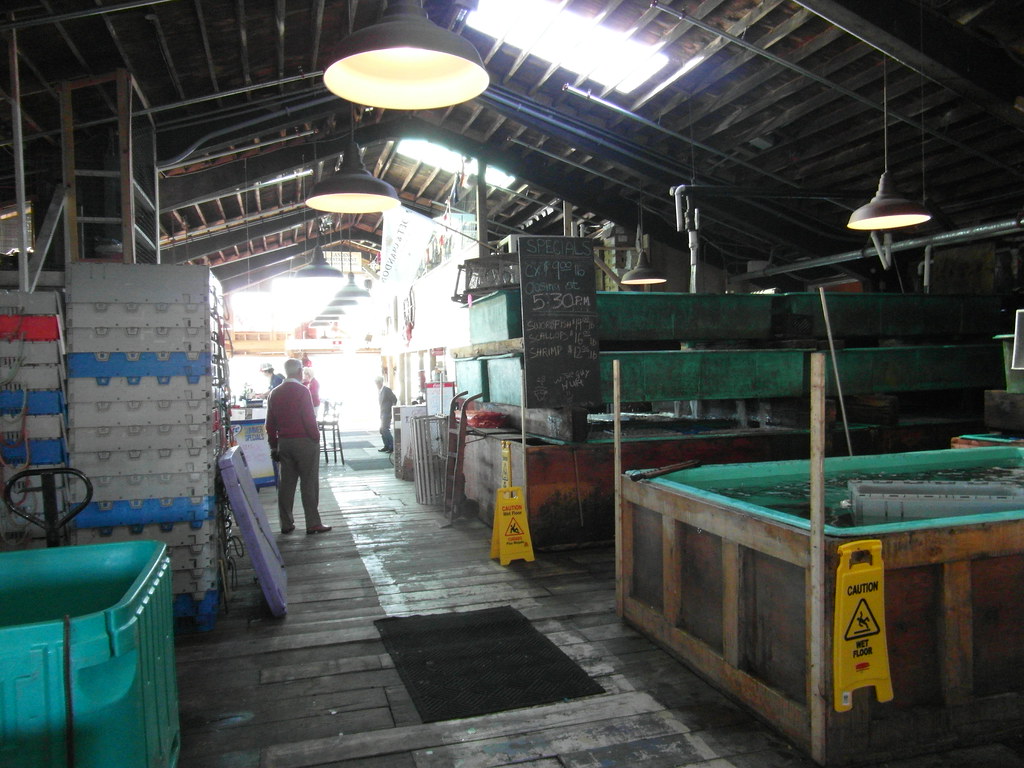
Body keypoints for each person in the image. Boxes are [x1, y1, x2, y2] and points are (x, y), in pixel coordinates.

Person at [265, 358, 331, 535]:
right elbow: (308, 418)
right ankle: (313, 522)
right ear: (300, 371)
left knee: (286, 484)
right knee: (308, 482)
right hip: (304, 441)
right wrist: (316, 437)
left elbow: (270, 424)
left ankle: (286, 523)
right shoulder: (302, 391)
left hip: (284, 443)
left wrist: (274, 446)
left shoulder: (274, 393)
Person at [376, 375, 397, 453]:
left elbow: (394, 399)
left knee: (385, 429)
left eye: (377, 383)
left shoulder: (386, 390)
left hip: (387, 413)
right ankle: (387, 445)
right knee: (382, 430)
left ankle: (392, 446)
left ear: (381, 382)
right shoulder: (380, 391)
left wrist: (390, 409)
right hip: (383, 413)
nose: (376, 385)